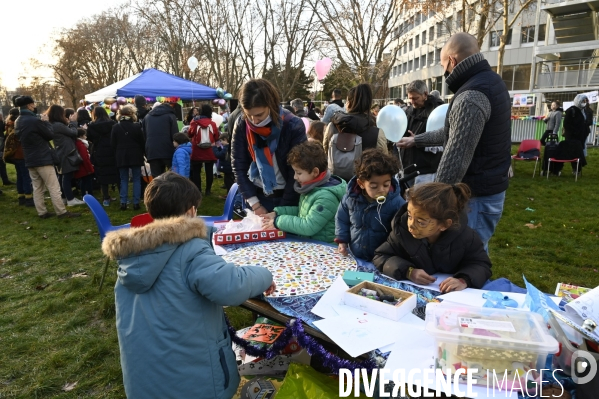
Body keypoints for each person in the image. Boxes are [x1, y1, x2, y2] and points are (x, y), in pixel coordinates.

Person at [101, 171, 275, 399]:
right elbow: (232, 286)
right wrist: (265, 274)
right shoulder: (190, 250)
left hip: (145, 381)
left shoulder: (133, 253)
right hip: (195, 383)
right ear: (191, 211)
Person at [397, 32, 511, 252]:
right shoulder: (492, 81)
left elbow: (456, 157)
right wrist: (416, 140)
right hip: (488, 188)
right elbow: (453, 131)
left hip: (476, 195)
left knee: (468, 255)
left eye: (443, 65)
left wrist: (433, 201)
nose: (444, 72)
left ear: (452, 61)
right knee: (472, 252)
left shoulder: (472, 95)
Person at [373, 182, 492, 293]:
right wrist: (409, 272)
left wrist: (463, 280)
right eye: (409, 216)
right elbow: (380, 256)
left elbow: (481, 265)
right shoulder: (402, 232)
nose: (411, 225)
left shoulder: (466, 238)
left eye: (421, 222)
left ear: (444, 225)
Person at [231, 78, 307, 214]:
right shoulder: (242, 123)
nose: (254, 121)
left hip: (288, 196)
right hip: (256, 197)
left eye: (259, 114)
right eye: (249, 115)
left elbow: (296, 171)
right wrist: (255, 205)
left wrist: (281, 210)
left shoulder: (293, 125)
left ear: (271, 105)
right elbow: (239, 165)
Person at [261, 141, 346, 243]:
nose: (295, 177)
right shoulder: (313, 187)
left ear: (315, 172)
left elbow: (308, 226)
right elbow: (303, 212)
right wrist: (277, 213)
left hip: (326, 249)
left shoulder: (326, 197)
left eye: (299, 173)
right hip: (313, 246)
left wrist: (278, 221)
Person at [14, 96, 80, 219]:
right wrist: (45, 122)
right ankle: (61, 212)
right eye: (33, 104)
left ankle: (42, 212)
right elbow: (50, 135)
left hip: (29, 158)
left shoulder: (18, 120)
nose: (34, 106)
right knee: (53, 186)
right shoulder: (34, 120)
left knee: (37, 188)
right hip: (43, 158)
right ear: (29, 105)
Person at [335, 148, 405, 261]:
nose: (381, 190)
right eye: (374, 186)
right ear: (361, 183)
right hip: (355, 255)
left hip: (382, 257)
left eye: (386, 185)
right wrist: (342, 241)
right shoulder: (350, 198)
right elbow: (342, 220)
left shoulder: (396, 203)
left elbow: (400, 232)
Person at [323, 83, 389, 156]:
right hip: (366, 167)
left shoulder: (332, 126)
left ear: (349, 103)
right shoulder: (377, 133)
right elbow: (384, 159)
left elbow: (326, 151)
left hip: (337, 167)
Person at [401, 80, 445, 185]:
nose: (412, 102)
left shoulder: (438, 111)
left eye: (415, 98)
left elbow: (444, 139)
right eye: (410, 98)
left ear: (425, 94)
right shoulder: (409, 111)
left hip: (427, 171)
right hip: (407, 167)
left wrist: (418, 140)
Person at [47, 104, 85, 206]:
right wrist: (73, 122)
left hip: (61, 152)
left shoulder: (53, 124)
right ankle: (70, 199)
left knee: (62, 176)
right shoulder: (58, 125)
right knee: (67, 177)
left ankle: (64, 197)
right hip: (66, 153)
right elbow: (73, 132)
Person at [111, 104, 145, 211]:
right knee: (136, 179)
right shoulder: (137, 126)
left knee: (123, 179)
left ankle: (123, 202)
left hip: (121, 155)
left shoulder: (116, 127)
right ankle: (136, 203)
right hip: (135, 154)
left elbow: (113, 144)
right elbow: (142, 142)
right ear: (132, 114)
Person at [87, 107, 119, 206]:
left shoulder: (92, 126)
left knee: (102, 176)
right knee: (116, 175)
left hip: (99, 152)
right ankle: (123, 196)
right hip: (112, 151)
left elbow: (90, 138)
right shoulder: (112, 124)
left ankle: (106, 197)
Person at [3, 108, 33, 205]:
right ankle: (28, 198)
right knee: (26, 176)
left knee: (20, 176)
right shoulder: (17, 126)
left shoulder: (9, 125)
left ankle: (21, 197)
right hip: (21, 154)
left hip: (15, 155)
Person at [188, 104, 220, 195]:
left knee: (196, 171)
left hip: (196, 149)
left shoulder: (194, 122)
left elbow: (190, 134)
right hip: (209, 149)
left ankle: (198, 190)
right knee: (209, 171)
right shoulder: (212, 123)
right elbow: (216, 136)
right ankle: (208, 190)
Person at [143, 100, 179, 178]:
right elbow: (175, 134)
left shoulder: (147, 117)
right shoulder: (170, 115)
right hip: (168, 149)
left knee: (156, 177)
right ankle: (171, 190)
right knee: (172, 175)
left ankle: (158, 190)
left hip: (152, 150)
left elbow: (144, 136)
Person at [74, 128, 95, 197]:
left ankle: (84, 194)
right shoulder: (82, 145)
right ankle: (89, 194)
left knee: (83, 181)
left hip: (81, 167)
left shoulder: (77, 144)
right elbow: (85, 158)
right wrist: (89, 169)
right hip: (85, 168)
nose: (86, 136)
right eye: (84, 135)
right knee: (88, 181)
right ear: (81, 136)